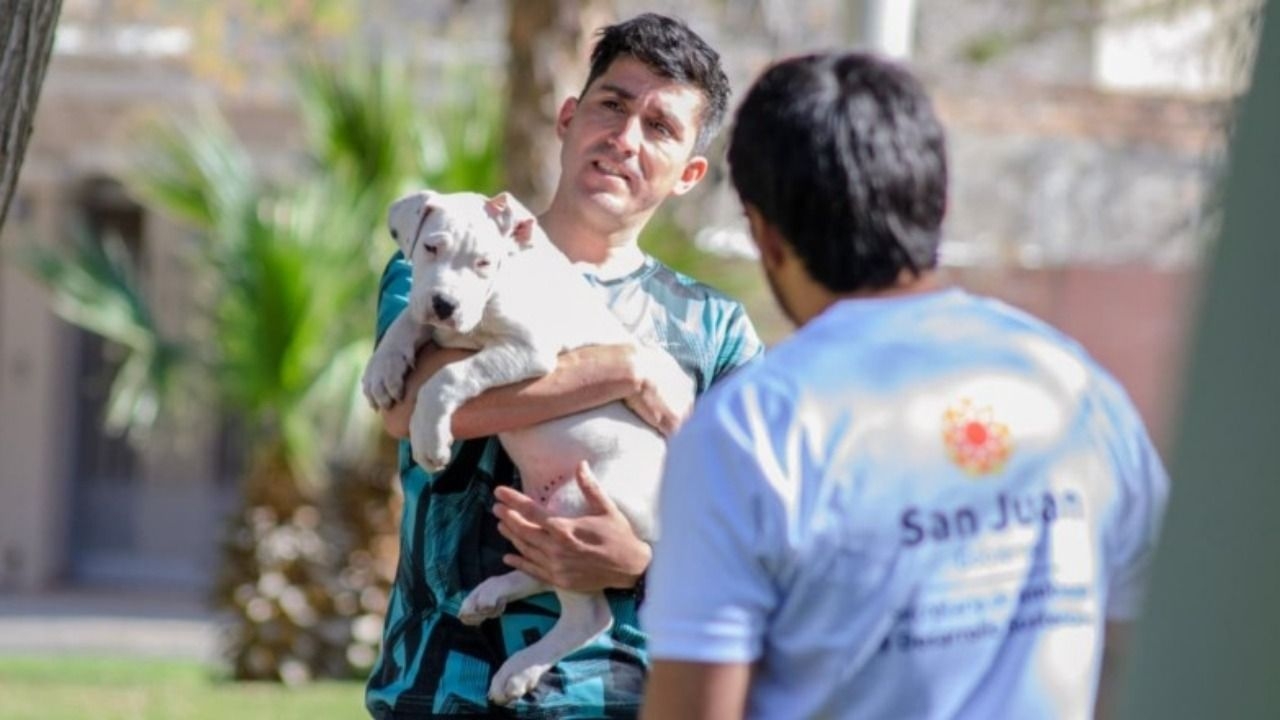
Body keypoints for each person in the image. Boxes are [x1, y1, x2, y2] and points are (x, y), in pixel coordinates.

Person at [640, 53, 1170, 720]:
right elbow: (1155, 651)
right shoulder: (1072, 386)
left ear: (765, 235)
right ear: (938, 204)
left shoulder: (747, 431)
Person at [365, 13, 763, 719]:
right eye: (612, 105)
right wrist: (625, 370)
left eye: (660, 127)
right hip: (440, 690)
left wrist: (637, 564)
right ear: (569, 116)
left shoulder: (716, 329)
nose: (625, 138)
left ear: (689, 174)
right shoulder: (443, 256)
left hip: (618, 699)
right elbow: (406, 405)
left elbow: (747, 525)